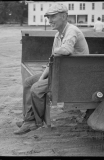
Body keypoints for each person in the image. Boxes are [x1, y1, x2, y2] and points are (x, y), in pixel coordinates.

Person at [14, 3, 89, 135]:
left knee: (36, 89)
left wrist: (55, 52)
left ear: (64, 16)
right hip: (62, 72)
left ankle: (35, 123)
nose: (50, 21)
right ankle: (28, 119)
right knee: (29, 83)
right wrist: (42, 78)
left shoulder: (72, 30)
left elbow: (66, 50)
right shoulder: (57, 35)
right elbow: (52, 61)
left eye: (53, 16)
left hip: (75, 76)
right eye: (48, 17)